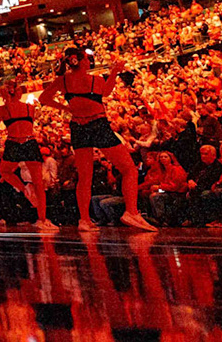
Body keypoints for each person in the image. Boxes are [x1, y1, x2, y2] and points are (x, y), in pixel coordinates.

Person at [49, 47, 158, 232]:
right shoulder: (95, 80)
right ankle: (131, 212)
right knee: (129, 169)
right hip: (98, 124)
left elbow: (45, 98)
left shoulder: (63, 81)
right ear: (83, 60)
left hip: (78, 126)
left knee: (84, 177)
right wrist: (115, 71)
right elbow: (106, 93)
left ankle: (84, 220)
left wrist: (67, 109)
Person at [0, 78, 57, 232]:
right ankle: (43, 219)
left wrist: (1, 130)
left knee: (5, 171)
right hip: (29, 142)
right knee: (38, 183)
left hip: (14, 142)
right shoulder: (30, 108)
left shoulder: (3, 110)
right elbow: (28, 124)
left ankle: (24, 188)